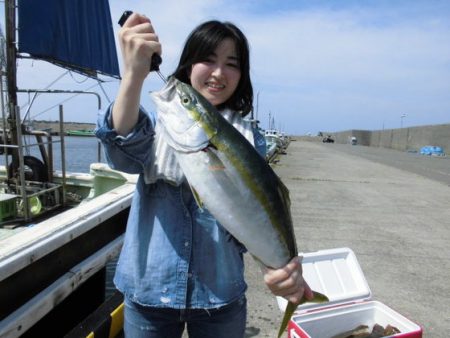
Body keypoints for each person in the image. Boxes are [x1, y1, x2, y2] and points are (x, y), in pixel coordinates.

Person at [96, 12, 313, 338]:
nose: (218, 73)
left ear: (242, 75)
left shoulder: (248, 139)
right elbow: (122, 146)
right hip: (150, 291)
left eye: (232, 63)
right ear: (188, 65)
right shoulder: (159, 131)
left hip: (220, 296)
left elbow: (249, 214)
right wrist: (134, 76)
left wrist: (278, 267)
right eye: (207, 60)